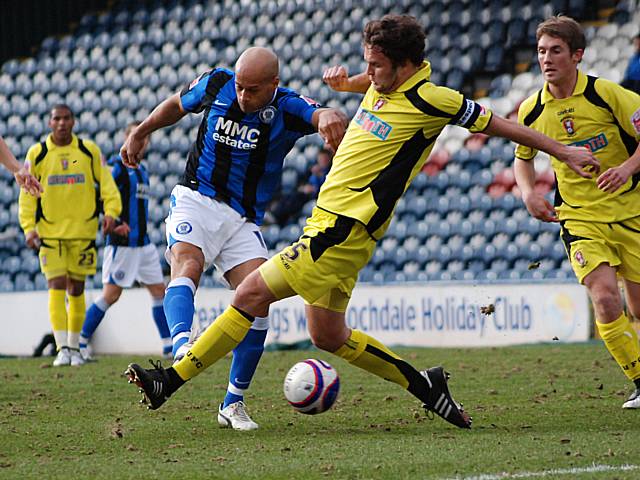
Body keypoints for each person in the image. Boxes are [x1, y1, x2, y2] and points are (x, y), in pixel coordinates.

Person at [124, 15, 597, 430]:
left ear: (405, 64)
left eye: (374, 66)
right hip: (337, 228)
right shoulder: (381, 83)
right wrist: (345, 86)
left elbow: (501, 124)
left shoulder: (433, 100)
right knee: (327, 334)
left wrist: (561, 152)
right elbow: (358, 85)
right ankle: (424, 384)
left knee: (249, 295)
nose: (368, 75)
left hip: (343, 230)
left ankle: (171, 379)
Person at [120, 47, 347, 430]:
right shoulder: (218, 82)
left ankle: (232, 403)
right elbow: (177, 104)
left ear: (273, 85)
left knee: (258, 302)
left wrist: (330, 115)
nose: (243, 96)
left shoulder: (287, 108)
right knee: (188, 262)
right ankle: (181, 346)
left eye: (253, 90)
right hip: (196, 198)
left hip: (242, 219)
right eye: (240, 88)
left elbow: (318, 112)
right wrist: (141, 132)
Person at [513, 16, 640, 409]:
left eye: (555, 51)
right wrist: (528, 192)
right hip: (580, 217)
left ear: (577, 55)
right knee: (604, 299)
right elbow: (523, 158)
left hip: (631, 212)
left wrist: (626, 168)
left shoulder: (609, 95)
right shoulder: (532, 109)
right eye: (540, 52)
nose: (546, 59)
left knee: (637, 307)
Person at [18, 104, 121, 367]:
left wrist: (111, 211)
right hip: (50, 234)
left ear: (73, 122)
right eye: (57, 118)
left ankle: (75, 348)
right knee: (56, 285)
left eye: (66, 118)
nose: (62, 123)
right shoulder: (38, 153)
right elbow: (27, 194)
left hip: (83, 232)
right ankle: (62, 347)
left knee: (77, 288)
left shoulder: (88, 151)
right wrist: (29, 227)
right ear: (49, 122)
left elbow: (107, 185)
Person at [79, 122, 171, 361]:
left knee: (159, 291)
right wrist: (115, 221)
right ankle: (79, 341)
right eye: (135, 136)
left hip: (144, 243)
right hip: (123, 244)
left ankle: (169, 346)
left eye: (144, 137)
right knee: (111, 295)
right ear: (126, 138)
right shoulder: (116, 165)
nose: (141, 141)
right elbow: (99, 193)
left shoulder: (142, 170)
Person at [269, 148, 332, 226]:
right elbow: (300, 183)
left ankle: (277, 218)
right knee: (292, 197)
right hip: (306, 194)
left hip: (319, 196)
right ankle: (277, 217)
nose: (322, 161)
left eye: (325, 159)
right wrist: (304, 188)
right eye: (321, 159)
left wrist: (319, 181)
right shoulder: (311, 170)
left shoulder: (331, 172)